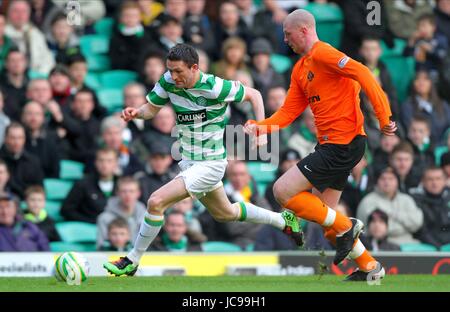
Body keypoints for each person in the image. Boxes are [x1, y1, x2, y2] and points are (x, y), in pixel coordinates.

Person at [103, 43, 302, 276]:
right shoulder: (168, 81)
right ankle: (283, 221)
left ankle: (132, 260)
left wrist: (260, 129)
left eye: (178, 71)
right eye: (170, 70)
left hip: (211, 164)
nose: (173, 76)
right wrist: (137, 112)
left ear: (194, 67)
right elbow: (151, 109)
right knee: (225, 213)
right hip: (189, 161)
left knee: (156, 201)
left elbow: (255, 95)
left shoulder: (214, 86)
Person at [244, 9, 397, 281]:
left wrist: (384, 116)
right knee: (325, 220)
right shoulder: (300, 69)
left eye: (288, 34)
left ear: (304, 30)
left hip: (342, 144)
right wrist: (260, 125)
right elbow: (288, 114)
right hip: (335, 146)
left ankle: (348, 226)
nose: (286, 40)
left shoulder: (324, 54)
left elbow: (362, 72)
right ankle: (370, 267)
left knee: (282, 191)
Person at [357, 166, 423, 245]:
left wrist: (395, 216)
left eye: (391, 179)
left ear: (397, 181)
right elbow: (373, 230)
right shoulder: (368, 201)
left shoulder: (407, 199)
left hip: (408, 242)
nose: (387, 182)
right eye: (383, 178)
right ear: (376, 181)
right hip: (380, 245)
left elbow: (417, 223)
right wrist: (405, 226)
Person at [61, 148, 119, 224]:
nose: (105, 165)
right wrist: (90, 222)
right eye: (101, 160)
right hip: (90, 228)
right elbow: (66, 210)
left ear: (116, 163)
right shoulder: (83, 183)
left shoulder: (122, 184)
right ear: (95, 163)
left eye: (109, 161)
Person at [96, 176, 146, 249]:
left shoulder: (144, 216)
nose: (127, 195)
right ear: (117, 193)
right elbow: (101, 246)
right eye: (124, 191)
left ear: (138, 193)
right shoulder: (104, 218)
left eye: (131, 191)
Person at [411, 166, 450, 248]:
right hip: (427, 245)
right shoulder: (415, 200)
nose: (434, 183)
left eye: (438, 179)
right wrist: (438, 247)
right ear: (423, 182)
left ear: (445, 181)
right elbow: (421, 230)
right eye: (430, 179)